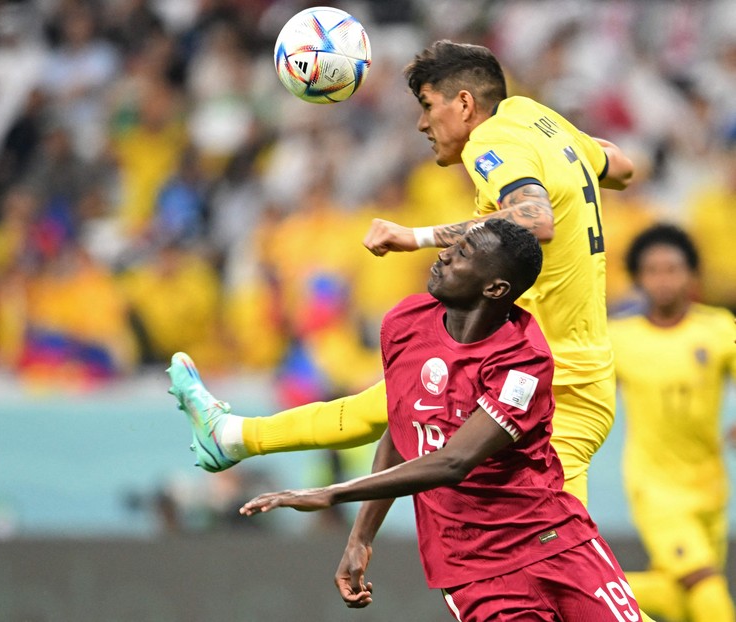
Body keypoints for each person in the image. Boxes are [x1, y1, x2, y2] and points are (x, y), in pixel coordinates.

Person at [169, 40, 635, 509]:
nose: (422, 123)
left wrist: (416, 236)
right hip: (557, 366)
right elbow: (621, 166)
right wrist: (569, 149)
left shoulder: (491, 140)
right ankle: (233, 436)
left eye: (429, 106)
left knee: (566, 556)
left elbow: (534, 218)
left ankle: (234, 437)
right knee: (392, 401)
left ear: (466, 104)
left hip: (551, 380)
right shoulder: (537, 119)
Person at [238, 219, 642, 620]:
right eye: (454, 246)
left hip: (551, 543)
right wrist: (360, 537)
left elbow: (455, 461)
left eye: (463, 253)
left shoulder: (523, 361)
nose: (444, 255)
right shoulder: (404, 324)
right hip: (471, 573)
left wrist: (333, 493)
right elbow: (402, 431)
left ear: (495, 288)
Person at [609, 224, 736, 622]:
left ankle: (579, 590)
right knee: (706, 586)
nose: (663, 279)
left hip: (710, 485)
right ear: (637, 277)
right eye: (653, 270)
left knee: (681, 598)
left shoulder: (719, 327)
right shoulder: (619, 338)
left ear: (692, 274)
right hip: (655, 488)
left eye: (673, 269)